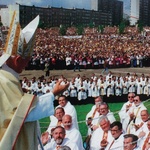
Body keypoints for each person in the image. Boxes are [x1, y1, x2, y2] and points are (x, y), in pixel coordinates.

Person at [0, 12, 69, 150]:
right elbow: (22, 115)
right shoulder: (4, 81)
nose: (27, 65)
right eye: (26, 61)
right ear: (18, 60)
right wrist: (53, 93)